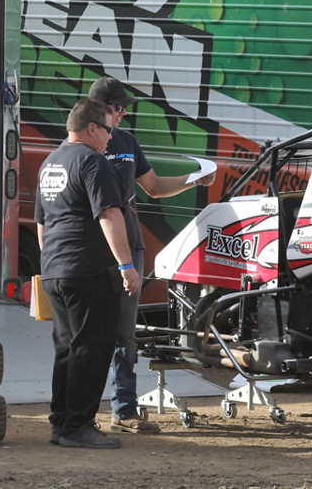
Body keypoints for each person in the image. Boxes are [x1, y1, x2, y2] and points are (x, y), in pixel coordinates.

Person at [88, 76, 215, 434]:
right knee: (89, 331)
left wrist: (194, 179)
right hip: (93, 247)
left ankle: (123, 409)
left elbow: (154, 187)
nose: (124, 114)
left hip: (131, 245)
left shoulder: (127, 141)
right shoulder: (82, 145)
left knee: (124, 331)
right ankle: (80, 412)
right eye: (119, 108)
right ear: (102, 109)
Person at [35, 98, 141, 450]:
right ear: (92, 128)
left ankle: (61, 423)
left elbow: (42, 223)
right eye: (108, 129)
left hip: (56, 269)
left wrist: (51, 262)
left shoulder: (51, 162)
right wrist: (126, 265)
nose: (111, 137)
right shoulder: (93, 162)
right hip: (88, 271)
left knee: (67, 348)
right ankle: (78, 425)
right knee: (92, 348)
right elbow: (109, 215)